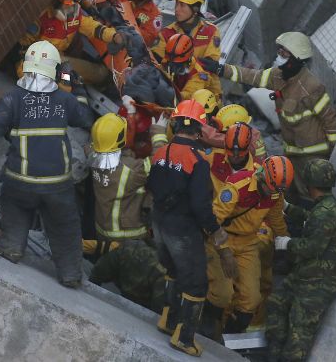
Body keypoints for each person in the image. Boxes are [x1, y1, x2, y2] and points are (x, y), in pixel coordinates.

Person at [0, 41, 94, 288]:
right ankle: (70, 274)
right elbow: (85, 118)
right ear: (54, 71)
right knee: (64, 226)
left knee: (14, 209)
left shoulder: (13, 99)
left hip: (20, 180)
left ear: (27, 67)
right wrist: (78, 89)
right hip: (57, 184)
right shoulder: (64, 100)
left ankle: (11, 247)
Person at [200, 32, 336, 200]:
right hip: (292, 150)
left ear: (297, 58)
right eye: (279, 51)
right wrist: (221, 69)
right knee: (293, 189)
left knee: (311, 193)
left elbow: (330, 122)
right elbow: (253, 76)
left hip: (312, 155)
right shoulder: (278, 75)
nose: (279, 56)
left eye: (284, 53)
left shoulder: (312, 88)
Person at [147, 99, 233, 356]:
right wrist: (216, 231)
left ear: (175, 124)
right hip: (182, 229)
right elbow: (200, 206)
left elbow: (152, 185)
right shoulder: (198, 161)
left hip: (160, 223)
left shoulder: (162, 152)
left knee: (172, 270)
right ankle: (184, 339)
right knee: (196, 284)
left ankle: (168, 320)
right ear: (199, 129)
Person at [203, 126, 292, 339]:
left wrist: (285, 243)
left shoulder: (274, 194)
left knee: (251, 300)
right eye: (271, 189)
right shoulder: (237, 185)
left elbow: (277, 221)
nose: (272, 194)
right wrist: (224, 252)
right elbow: (214, 220)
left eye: (278, 191)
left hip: (247, 244)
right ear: (263, 178)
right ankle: (206, 327)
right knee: (222, 295)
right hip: (221, 239)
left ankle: (228, 337)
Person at [266, 159, 336, 361]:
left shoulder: (326, 212)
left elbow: (313, 247)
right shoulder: (325, 205)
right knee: (276, 304)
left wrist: (287, 243)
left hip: (319, 282)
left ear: (310, 184)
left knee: (299, 333)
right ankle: (273, 355)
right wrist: (287, 207)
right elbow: (309, 218)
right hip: (307, 274)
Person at [17, 0, 127, 84]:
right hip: (42, 62)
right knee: (65, 84)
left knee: (101, 73)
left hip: (61, 61)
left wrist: (114, 36)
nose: (69, 8)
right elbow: (23, 51)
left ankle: (71, 82)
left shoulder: (74, 15)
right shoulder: (40, 18)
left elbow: (94, 28)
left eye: (72, 3)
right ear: (56, 0)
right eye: (65, 4)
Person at [89, 113, 152, 240]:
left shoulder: (92, 155)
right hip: (127, 236)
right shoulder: (132, 170)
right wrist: (159, 132)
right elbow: (159, 161)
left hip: (102, 230)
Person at [155, 0, 222, 99]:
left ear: (195, 8)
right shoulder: (166, 33)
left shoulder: (211, 32)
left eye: (182, 5)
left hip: (204, 98)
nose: (177, 9)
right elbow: (159, 67)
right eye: (176, 4)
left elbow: (205, 72)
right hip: (171, 95)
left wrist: (182, 97)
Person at [88, 239, 167, 313]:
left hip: (124, 290)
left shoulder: (129, 246)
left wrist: (92, 285)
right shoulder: (164, 269)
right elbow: (158, 304)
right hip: (144, 303)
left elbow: (102, 268)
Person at [164, 33, 221, 104]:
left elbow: (189, 95)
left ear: (189, 58)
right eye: (171, 63)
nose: (173, 67)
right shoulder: (173, 60)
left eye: (177, 65)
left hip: (210, 107)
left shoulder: (200, 74)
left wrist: (168, 94)